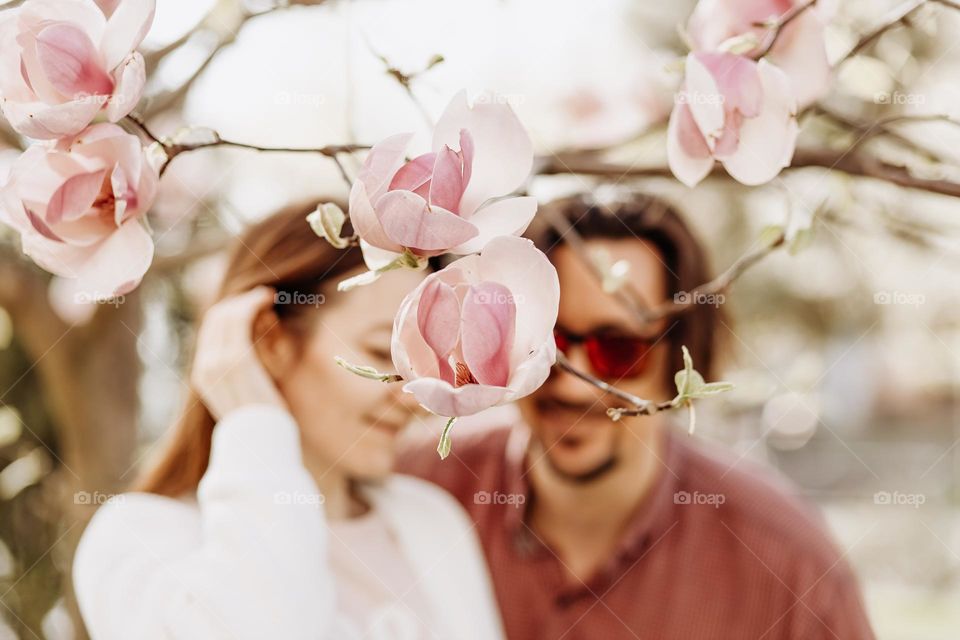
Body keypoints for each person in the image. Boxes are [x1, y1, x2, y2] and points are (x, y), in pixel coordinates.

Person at [397, 193, 875, 639]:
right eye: (551, 344)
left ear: (682, 359)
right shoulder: (416, 487)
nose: (572, 379)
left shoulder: (788, 563)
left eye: (617, 349)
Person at [72, 203, 506, 640]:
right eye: (382, 355)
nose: (416, 396)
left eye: (424, 366)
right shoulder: (137, 538)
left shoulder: (431, 521)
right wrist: (252, 420)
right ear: (270, 339)